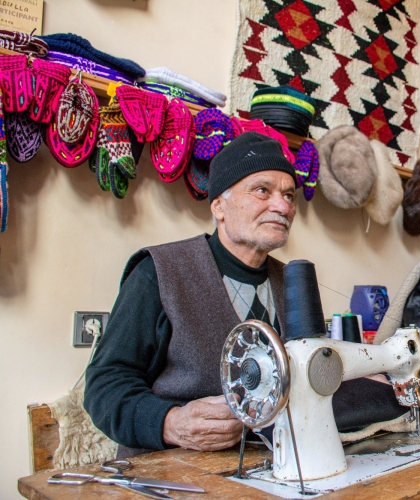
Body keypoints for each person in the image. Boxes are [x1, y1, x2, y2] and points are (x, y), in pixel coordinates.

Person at [84, 132, 298, 457]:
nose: (283, 206)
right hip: (170, 473)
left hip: (266, 471)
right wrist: (171, 423)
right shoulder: (158, 272)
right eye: (262, 191)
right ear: (219, 207)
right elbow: (105, 384)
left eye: (289, 195)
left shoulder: (293, 284)